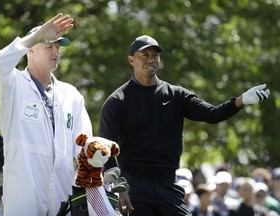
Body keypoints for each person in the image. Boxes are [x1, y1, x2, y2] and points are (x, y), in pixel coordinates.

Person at [98, 35, 270, 216]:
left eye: (155, 55)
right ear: (131, 60)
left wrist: (240, 101)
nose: (151, 59)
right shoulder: (117, 101)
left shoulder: (176, 95)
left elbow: (212, 114)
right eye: (144, 55)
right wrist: (120, 189)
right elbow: (106, 149)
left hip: (168, 184)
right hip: (134, 186)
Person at [0, 13, 92, 215]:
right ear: (31, 50)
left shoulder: (71, 95)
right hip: (24, 199)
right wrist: (36, 35)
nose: (55, 52)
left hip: (63, 199)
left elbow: (84, 147)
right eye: (48, 46)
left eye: (57, 47)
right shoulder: (14, 85)